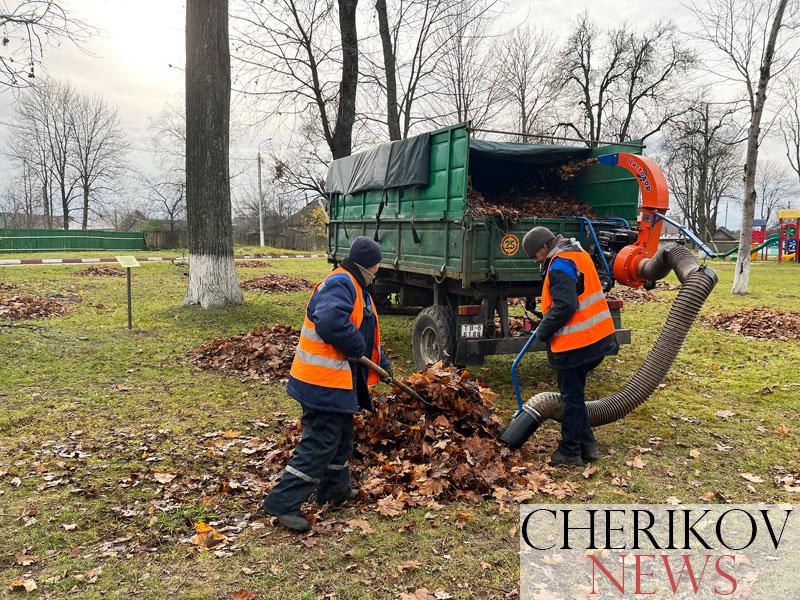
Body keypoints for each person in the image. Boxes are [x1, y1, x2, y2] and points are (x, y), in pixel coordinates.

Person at [259, 236, 391, 531]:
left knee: (341, 437)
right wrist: (356, 346)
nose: (378, 271)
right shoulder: (340, 283)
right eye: (377, 266)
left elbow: (364, 332)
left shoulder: (358, 289)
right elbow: (331, 322)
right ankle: (283, 502)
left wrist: (382, 363)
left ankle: (333, 490)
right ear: (369, 265)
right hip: (320, 382)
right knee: (321, 442)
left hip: (337, 383)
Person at [522, 226, 618, 466]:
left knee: (571, 399)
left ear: (544, 246)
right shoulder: (578, 253)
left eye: (534, 255)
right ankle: (588, 447)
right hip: (597, 337)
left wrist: (543, 330)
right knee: (575, 396)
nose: (535, 260)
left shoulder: (559, 264)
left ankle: (570, 452)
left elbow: (565, 305)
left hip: (576, 344)